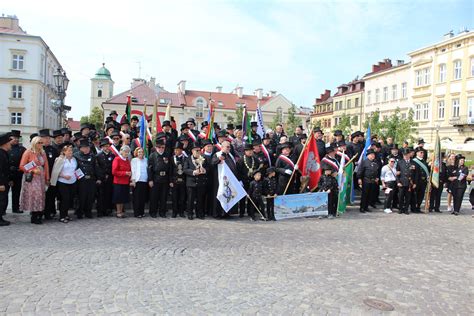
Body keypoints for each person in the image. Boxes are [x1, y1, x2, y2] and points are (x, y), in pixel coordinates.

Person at [19, 136, 50, 224]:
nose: (40, 144)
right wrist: (32, 170)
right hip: (32, 178)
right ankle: (34, 215)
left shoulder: (43, 153)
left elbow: (46, 166)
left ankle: (39, 214)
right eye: (39, 143)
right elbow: (21, 166)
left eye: (41, 142)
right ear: (34, 143)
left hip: (41, 178)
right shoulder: (28, 152)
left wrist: (47, 178)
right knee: (35, 196)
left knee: (41, 195)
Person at [50, 144, 77, 223]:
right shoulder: (60, 159)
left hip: (72, 181)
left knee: (69, 199)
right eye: (68, 151)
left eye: (71, 150)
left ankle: (66, 215)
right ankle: (62, 216)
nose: (70, 152)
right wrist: (64, 176)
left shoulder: (74, 159)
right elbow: (55, 172)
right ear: (64, 152)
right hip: (63, 182)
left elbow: (75, 169)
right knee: (65, 199)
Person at [74, 139, 99, 219]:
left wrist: (98, 178)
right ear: (80, 148)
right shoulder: (76, 156)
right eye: (84, 147)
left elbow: (96, 168)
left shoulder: (92, 156)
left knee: (90, 196)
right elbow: (75, 168)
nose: (86, 149)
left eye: (88, 147)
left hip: (91, 179)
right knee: (81, 197)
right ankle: (80, 212)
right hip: (81, 180)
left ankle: (88, 211)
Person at [184, 143, 209, 220]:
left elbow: (208, 168)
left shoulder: (203, 158)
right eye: (196, 150)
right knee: (190, 199)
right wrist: (194, 172)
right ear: (192, 151)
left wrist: (204, 170)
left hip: (201, 182)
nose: (198, 151)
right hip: (191, 182)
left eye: (199, 150)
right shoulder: (188, 159)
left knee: (200, 199)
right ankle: (190, 213)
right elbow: (185, 169)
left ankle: (199, 213)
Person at [237, 143, 260, 218]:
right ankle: (242, 212)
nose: (250, 152)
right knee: (242, 198)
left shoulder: (255, 159)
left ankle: (251, 212)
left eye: (251, 150)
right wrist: (239, 180)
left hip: (252, 181)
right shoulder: (240, 160)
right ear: (245, 151)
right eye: (248, 150)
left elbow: (257, 169)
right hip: (243, 181)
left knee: (252, 197)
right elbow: (238, 171)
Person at [148, 140, 170, 218]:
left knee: (163, 197)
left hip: (165, 179)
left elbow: (170, 168)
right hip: (155, 178)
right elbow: (150, 168)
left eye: (163, 147)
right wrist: (150, 179)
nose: (161, 149)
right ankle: (153, 212)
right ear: (156, 147)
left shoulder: (167, 155)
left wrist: (170, 180)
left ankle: (162, 212)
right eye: (159, 147)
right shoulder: (152, 155)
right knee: (154, 197)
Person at [41, 129, 59, 220]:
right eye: (45, 138)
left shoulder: (54, 150)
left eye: (48, 138)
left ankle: (48, 212)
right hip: (39, 177)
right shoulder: (38, 149)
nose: (47, 140)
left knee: (50, 196)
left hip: (52, 176)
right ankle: (38, 212)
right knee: (40, 196)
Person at [95, 138, 115, 217]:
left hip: (110, 178)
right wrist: (102, 176)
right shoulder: (98, 156)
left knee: (109, 194)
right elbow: (97, 167)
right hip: (101, 178)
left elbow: (113, 166)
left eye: (108, 146)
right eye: (105, 146)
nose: (107, 148)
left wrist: (109, 174)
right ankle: (100, 211)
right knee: (101, 195)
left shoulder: (112, 155)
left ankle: (108, 210)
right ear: (102, 147)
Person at [8, 130, 26, 214]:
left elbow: (27, 161)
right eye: (14, 138)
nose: (16, 139)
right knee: (4, 193)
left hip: (18, 173)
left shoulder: (22, 149)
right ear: (10, 138)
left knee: (16, 192)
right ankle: (2, 209)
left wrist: (22, 169)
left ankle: (15, 208)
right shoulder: (6, 147)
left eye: (17, 138)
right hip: (7, 173)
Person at [112, 145, 132, 218]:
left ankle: (122, 211)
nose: (126, 153)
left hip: (125, 182)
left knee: (123, 198)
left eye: (128, 152)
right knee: (118, 198)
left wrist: (129, 173)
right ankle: (118, 212)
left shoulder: (127, 160)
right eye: (125, 152)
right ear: (121, 152)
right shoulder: (117, 159)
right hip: (118, 182)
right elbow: (114, 172)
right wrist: (125, 173)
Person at [358, 149, 379, 213]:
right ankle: (362, 208)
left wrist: (377, 177)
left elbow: (376, 171)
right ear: (368, 155)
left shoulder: (375, 162)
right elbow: (360, 171)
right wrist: (359, 178)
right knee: (364, 195)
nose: (373, 156)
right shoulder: (364, 162)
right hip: (366, 181)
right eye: (372, 154)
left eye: (374, 154)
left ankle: (366, 207)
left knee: (370, 195)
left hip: (373, 181)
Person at [170, 142, 187, 218]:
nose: (176, 151)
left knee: (182, 197)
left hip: (183, 180)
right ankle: (174, 211)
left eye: (177, 150)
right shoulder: (172, 158)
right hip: (174, 180)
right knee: (174, 197)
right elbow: (170, 170)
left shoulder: (185, 158)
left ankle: (181, 212)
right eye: (175, 150)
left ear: (181, 150)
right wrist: (170, 181)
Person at [130, 147, 149, 218]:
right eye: (139, 152)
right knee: (137, 198)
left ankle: (142, 212)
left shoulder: (146, 160)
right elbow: (133, 171)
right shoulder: (134, 160)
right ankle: (137, 213)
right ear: (136, 153)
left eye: (142, 152)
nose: (140, 153)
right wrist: (133, 180)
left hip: (144, 181)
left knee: (142, 198)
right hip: (137, 181)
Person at [396, 148, 415, 215]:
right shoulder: (400, 162)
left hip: (409, 183)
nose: (406, 156)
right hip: (401, 182)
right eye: (404, 155)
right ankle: (400, 209)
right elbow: (397, 173)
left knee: (408, 197)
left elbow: (415, 174)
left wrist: (414, 183)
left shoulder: (413, 162)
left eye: (407, 154)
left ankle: (406, 209)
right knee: (400, 196)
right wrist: (398, 182)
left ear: (410, 154)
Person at [411, 148, 429, 213]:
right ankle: (413, 208)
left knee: (421, 195)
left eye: (423, 153)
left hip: (423, 182)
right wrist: (413, 182)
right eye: (420, 152)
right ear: (417, 153)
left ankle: (418, 207)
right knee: (414, 195)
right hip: (416, 181)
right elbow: (412, 173)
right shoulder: (413, 161)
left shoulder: (424, 162)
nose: (422, 154)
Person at [0, 133, 12, 226]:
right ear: (4, 143)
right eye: (9, 142)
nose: (10, 144)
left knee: (3, 200)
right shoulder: (1, 154)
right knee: (1, 200)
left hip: (5, 181)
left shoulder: (4, 153)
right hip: (1, 182)